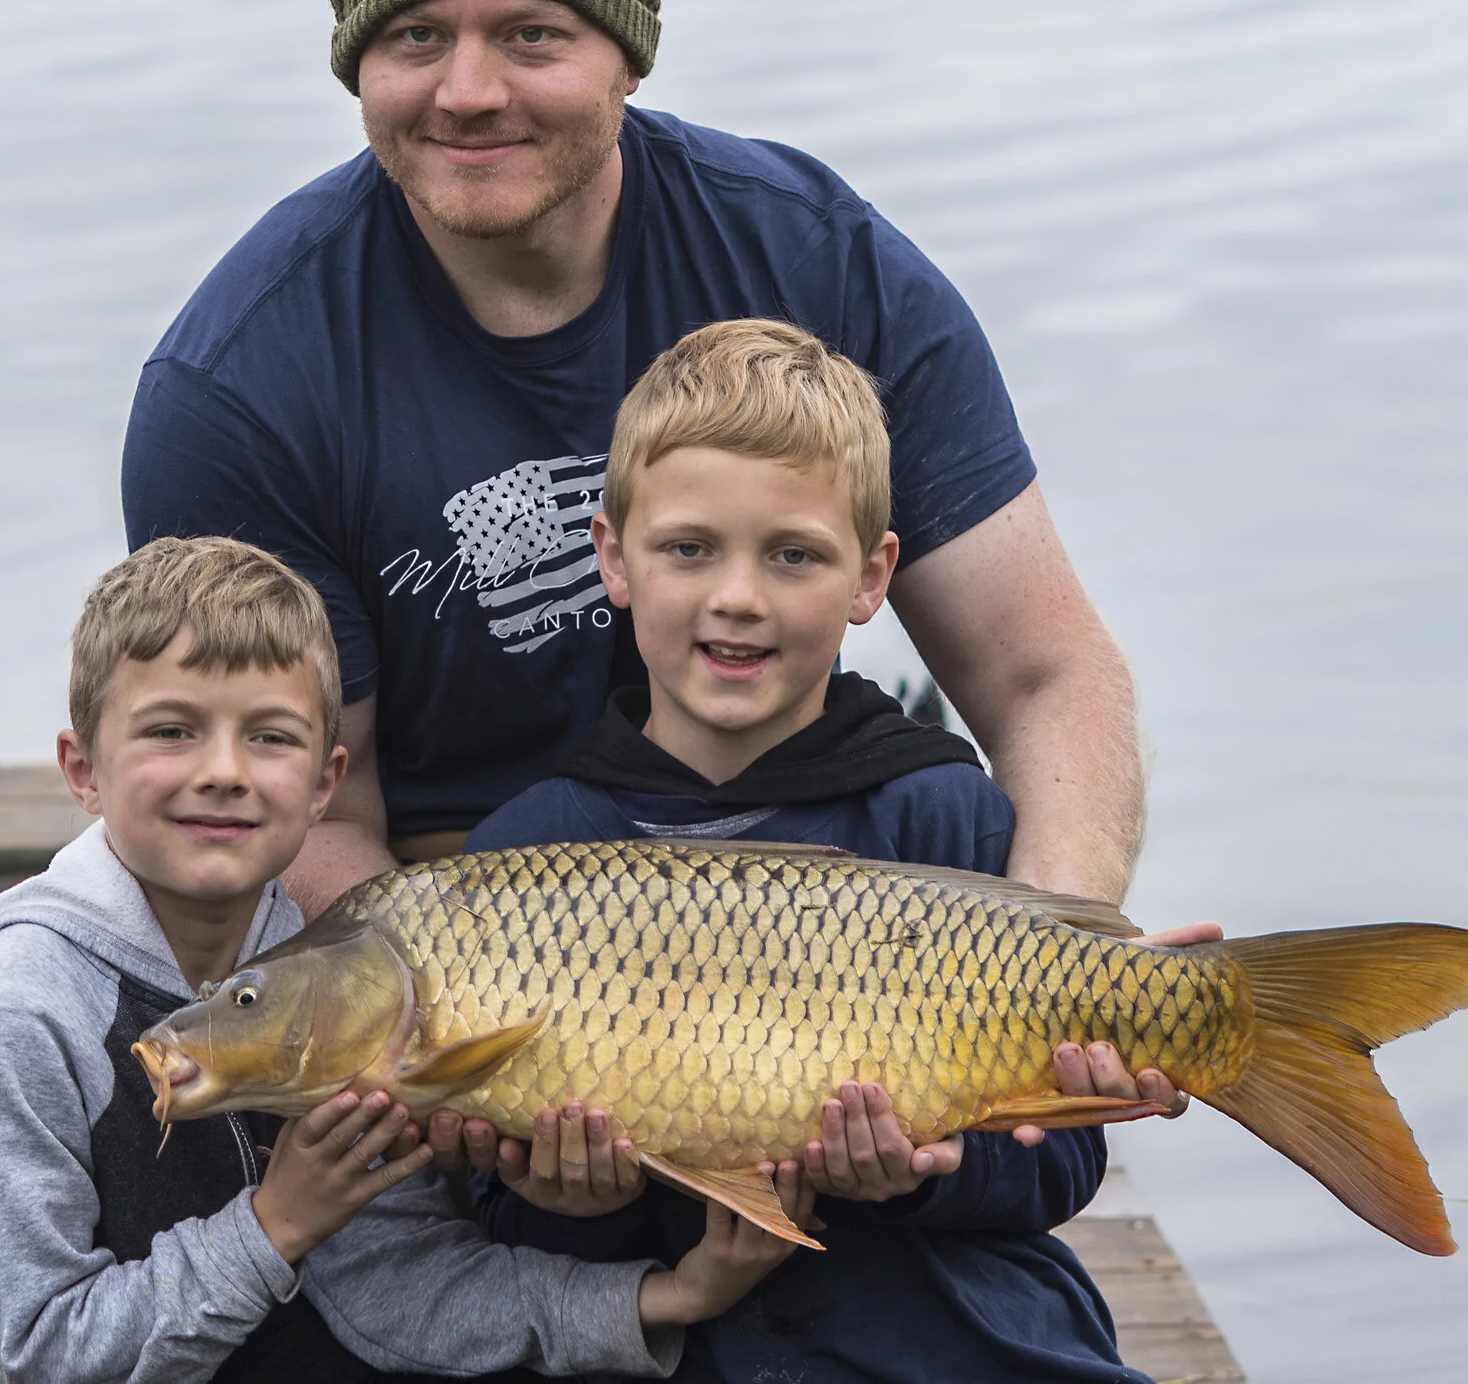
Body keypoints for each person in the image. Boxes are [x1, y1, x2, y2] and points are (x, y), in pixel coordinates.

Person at [121, 0, 1166, 952]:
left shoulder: (821, 263)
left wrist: (1052, 968)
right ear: (357, 65)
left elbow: (1045, 675)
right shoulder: (240, 386)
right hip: (469, 949)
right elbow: (305, 816)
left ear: (627, 57)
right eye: (416, 36)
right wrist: (519, 1066)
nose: (467, 92)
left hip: (823, 909)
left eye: (530, 35)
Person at [0, 535, 805, 1384]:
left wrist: (662, 1297)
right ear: (82, 768)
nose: (222, 771)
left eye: (268, 737)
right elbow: (50, 1353)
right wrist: (275, 1221)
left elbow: (396, 1287)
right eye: (171, 729)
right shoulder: (4, 1017)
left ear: (324, 783)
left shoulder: (332, 993)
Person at [461, 320, 1152, 1383]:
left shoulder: (944, 817)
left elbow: (1057, 1161)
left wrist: (924, 1171)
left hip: (944, 1341)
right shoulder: (526, 855)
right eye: (689, 547)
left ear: (872, 576)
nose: (738, 595)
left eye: (792, 554)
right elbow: (490, 1200)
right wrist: (563, 1197)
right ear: (613, 557)